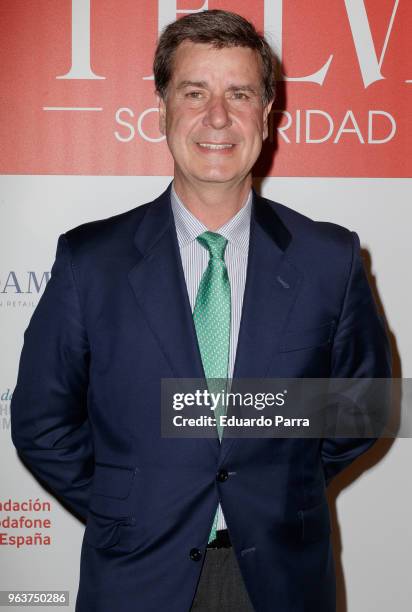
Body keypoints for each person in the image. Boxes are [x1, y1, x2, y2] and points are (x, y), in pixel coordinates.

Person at [10, 9, 391, 612]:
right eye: (195, 92)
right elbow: (41, 423)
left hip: (282, 579)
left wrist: (279, 489)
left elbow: (362, 408)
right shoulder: (91, 260)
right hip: (138, 578)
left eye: (239, 93)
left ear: (266, 114)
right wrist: (125, 505)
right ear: (163, 107)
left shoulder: (330, 258)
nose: (218, 116)